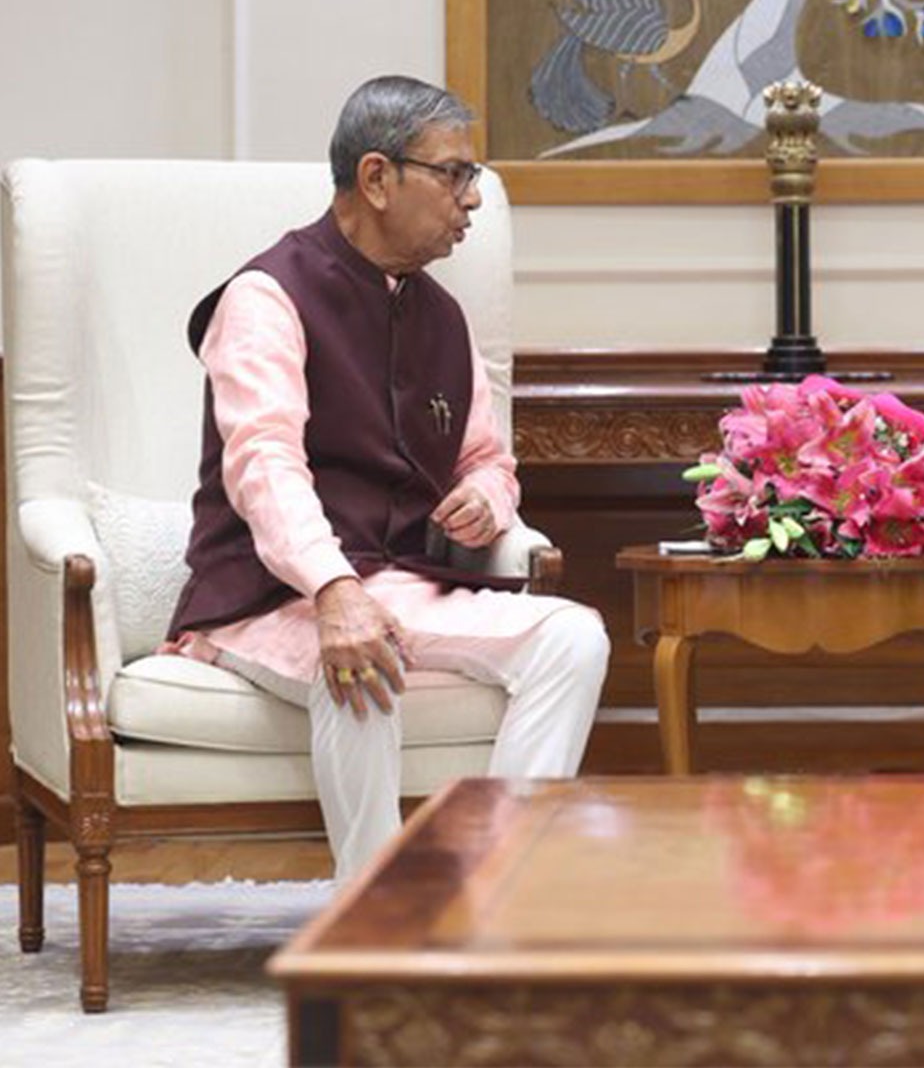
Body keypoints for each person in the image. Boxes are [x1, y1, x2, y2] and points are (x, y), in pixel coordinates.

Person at [165, 76, 609, 880]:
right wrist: (334, 590)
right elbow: (264, 463)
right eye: (454, 174)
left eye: (472, 177)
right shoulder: (266, 298)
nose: (472, 198)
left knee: (573, 638)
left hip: (398, 585)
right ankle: (373, 911)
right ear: (376, 178)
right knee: (361, 659)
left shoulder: (443, 315)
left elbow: (488, 460)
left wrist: (487, 498)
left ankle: (495, 887)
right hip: (265, 600)